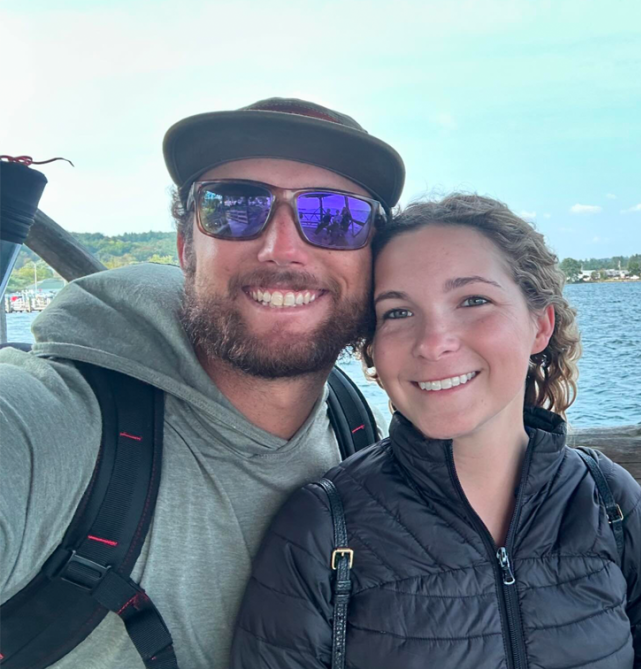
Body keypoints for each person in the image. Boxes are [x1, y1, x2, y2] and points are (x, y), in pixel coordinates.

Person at [0, 97, 404, 668]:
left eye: (334, 216)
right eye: (235, 208)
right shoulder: (51, 425)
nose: (281, 248)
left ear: (374, 260)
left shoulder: (355, 423)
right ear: (188, 247)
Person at [228, 194, 641, 668]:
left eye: (474, 300)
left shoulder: (607, 501)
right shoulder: (321, 528)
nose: (433, 343)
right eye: (398, 312)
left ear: (540, 325)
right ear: (373, 350)